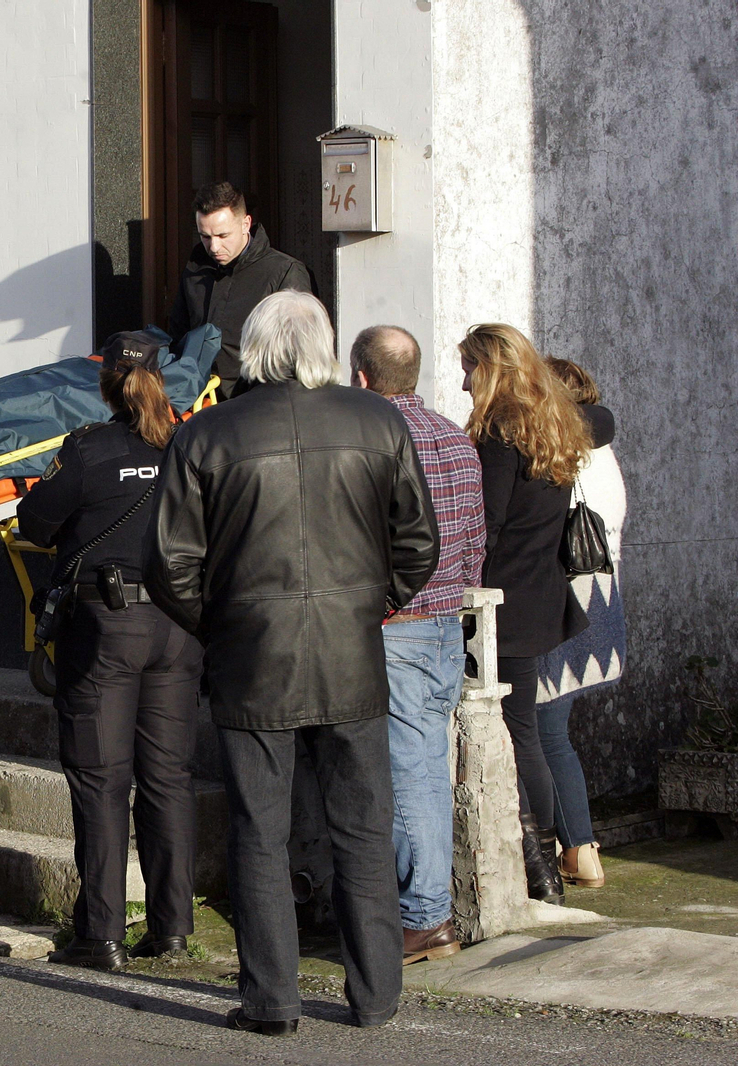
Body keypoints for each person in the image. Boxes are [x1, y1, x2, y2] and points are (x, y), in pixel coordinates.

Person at [146, 292, 437, 1035]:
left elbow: (169, 565)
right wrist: (366, 606)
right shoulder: (377, 421)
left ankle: (272, 1000)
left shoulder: (206, 434)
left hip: (252, 658)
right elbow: (418, 546)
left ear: (254, 348)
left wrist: (223, 627)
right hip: (350, 653)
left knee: (259, 831)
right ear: (324, 345)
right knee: (364, 827)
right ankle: (375, 995)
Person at [17, 332, 205, 973]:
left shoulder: (89, 449)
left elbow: (35, 523)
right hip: (180, 626)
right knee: (167, 779)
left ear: (104, 383)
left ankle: (101, 935)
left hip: (107, 624)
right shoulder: (188, 446)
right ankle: (172, 929)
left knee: (100, 781)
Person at [352, 326, 486, 965]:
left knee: (409, 776)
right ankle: (425, 910)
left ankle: (424, 915)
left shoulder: (375, 437)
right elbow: (474, 540)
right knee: (428, 768)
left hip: (395, 623)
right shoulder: (456, 438)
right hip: (442, 624)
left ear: (360, 376)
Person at [459, 324, 594, 905]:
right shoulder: (553, 421)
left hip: (503, 601)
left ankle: (539, 873)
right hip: (540, 593)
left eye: (468, 368)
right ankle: (545, 869)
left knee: (519, 732)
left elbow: (484, 523)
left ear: (490, 369)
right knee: (527, 729)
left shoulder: (499, 430)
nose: (463, 381)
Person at [536, 357, 624, 890]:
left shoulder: (567, 452)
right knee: (551, 730)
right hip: (603, 601)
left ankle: (579, 849)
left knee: (548, 731)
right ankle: (574, 846)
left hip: (570, 603)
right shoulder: (603, 451)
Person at [167, 181, 312, 402]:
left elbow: (299, 353)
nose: (214, 247)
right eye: (205, 236)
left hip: (258, 407)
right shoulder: (196, 268)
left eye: (223, 236)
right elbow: (179, 335)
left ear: (246, 224)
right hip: (199, 404)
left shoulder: (284, 271)